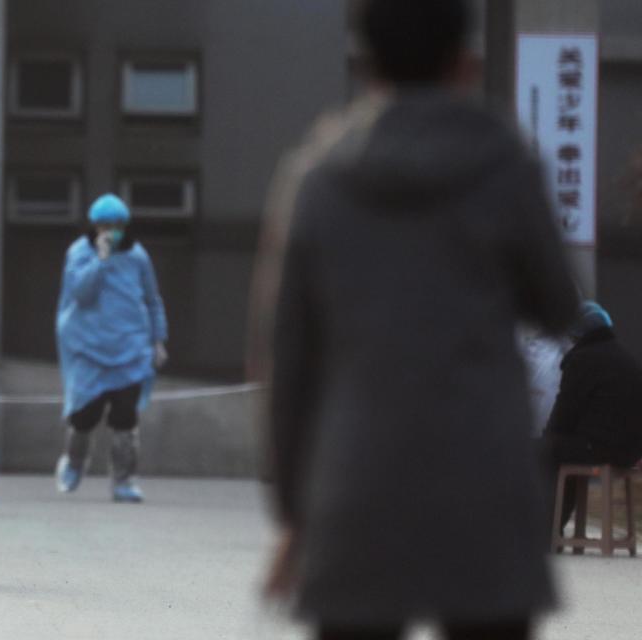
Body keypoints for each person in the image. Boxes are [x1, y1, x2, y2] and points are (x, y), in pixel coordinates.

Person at [256, 1, 581, 638]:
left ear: (364, 62)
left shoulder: (319, 179)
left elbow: (287, 362)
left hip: (357, 484)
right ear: (466, 63)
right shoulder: (506, 166)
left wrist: (295, 510)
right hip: (485, 483)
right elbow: (560, 304)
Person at [54, 193, 168, 503]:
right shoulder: (79, 253)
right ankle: (75, 461)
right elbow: (80, 294)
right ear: (94, 225)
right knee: (84, 416)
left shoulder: (138, 256)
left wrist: (158, 340)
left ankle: (124, 480)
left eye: (117, 225)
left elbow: (152, 299)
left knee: (125, 417)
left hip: (130, 349)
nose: (111, 231)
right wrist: (99, 261)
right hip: (89, 348)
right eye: (105, 225)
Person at [543, 301, 642, 533]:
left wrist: (546, 439)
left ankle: (544, 529)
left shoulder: (582, 360)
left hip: (597, 448)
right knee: (563, 449)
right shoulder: (625, 358)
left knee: (544, 451)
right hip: (629, 452)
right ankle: (550, 528)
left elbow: (563, 417)